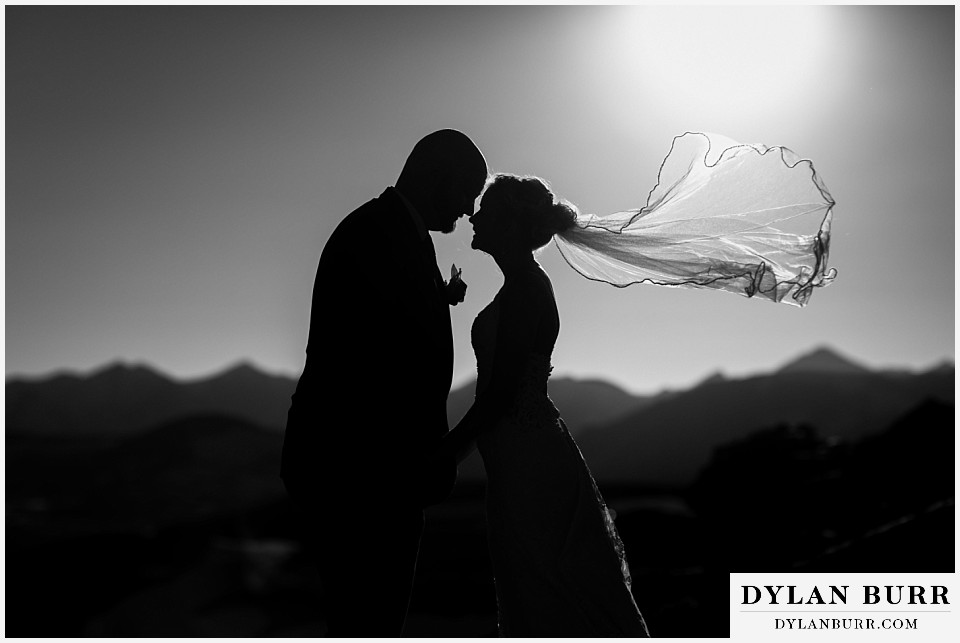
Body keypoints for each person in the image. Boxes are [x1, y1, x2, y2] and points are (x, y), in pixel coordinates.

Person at [281, 129, 488, 636]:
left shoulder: (398, 232)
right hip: (362, 482)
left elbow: (388, 327)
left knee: (372, 620)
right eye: (468, 191)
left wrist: (438, 299)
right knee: (368, 621)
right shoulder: (374, 233)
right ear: (435, 175)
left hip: (375, 479)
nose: (470, 210)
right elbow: (366, 372)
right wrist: (426, 461)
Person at [441, 174, 651, 636]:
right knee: (533, 585)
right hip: (515, 458)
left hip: (530, 462)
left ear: (512, 225)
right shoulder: (518, 287)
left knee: (550, 584)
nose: (474, 217)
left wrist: (446, 455)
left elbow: (501, 394)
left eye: (487, 211)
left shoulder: (527, 290)